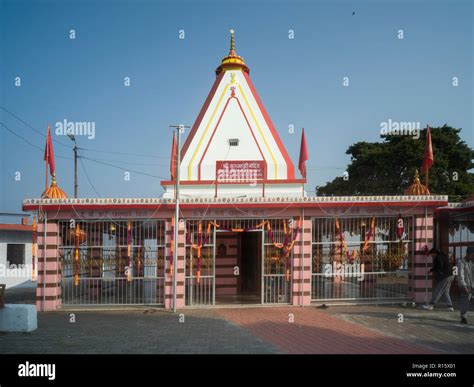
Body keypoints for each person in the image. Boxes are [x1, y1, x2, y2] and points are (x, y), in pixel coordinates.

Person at [457, 246, 473, 324]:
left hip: (472, 285)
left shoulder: (471, 262)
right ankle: (464, 317)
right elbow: (460, 275)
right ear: (468, 254)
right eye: (472, 255)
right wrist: (463, 286)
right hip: (465, 285)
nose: (473, 257)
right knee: (465, 301)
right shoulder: (461, 262)